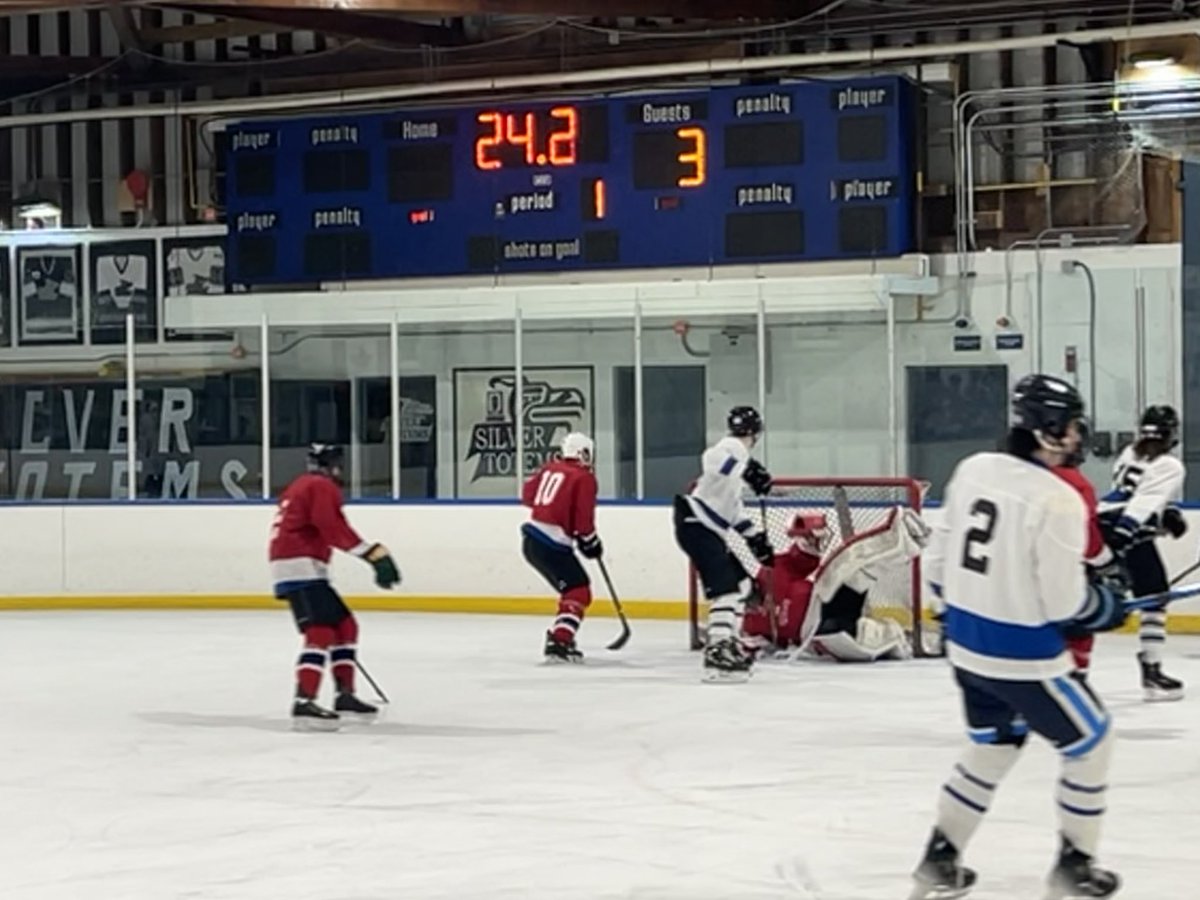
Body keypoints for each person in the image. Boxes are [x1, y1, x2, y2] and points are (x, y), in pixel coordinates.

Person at [911, 374, 1127, 900]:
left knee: (994, 745)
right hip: (1025, 658)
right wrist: (1104, 607)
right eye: (1072, 426)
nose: (1078, 437)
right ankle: (1074, 866)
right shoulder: (1058, 499)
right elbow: (1062, 604)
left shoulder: (972, 469)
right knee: (1092, 742)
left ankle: (939, 860)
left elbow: (937, 565)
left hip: (964, 648)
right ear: (1049, 430)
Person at [269, 443, 401, 731]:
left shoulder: (303, 484)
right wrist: (372, 554)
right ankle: (304, 700)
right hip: (300, 567)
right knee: (321, 632)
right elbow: (332, 528)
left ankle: (345, 695)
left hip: (301, 566)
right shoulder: (320, 486)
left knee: (345, 626)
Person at [673, 406, 774, 682]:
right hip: (697, 526)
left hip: (702, 527)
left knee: (742, 585)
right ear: (757, 433)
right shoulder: (730, 449)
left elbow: (733, 510)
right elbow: (713, 459)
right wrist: (748, 470)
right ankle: (717, 650)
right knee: (727, 590)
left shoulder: (735, 461)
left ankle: (728, 642)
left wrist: (755, 538)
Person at [1098, 405, 1187, 701]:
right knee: (1156, 598)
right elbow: (1142, 504)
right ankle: (1151, 670)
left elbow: (1139, 491)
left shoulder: (1129, 453)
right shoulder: (1171, 465)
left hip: (1102, 520)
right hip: (1128, 531)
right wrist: (1122, 538)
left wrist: (1168, 514)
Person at [521, 432, 601, 663]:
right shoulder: (583, 477)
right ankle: (560, 641)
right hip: (551, 544)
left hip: (531, 541)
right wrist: (590, 541)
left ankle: (561, 636)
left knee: (572, 591)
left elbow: (527, 496)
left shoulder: (549, 468)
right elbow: (583, 520)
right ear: (584, 453)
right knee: (579, 591)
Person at [1052, 424, 1122, 677]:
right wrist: (1107, 563)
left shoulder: (1016, 477)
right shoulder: (1076, 484)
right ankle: (1074, 681)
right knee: (1077, 628)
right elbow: (1086, 538)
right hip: (1064, 572)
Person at [743, 514, 827, 649]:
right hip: (765, 632)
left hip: (765, 629)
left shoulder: (786, 565)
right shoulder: (779, 569)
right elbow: (776, 611)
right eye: (817, 538)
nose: (821, 542)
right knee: (804, 591)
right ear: (805, 540)